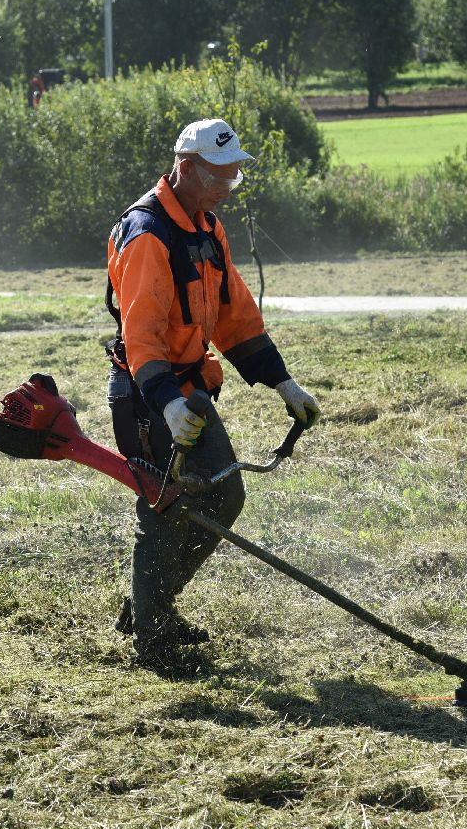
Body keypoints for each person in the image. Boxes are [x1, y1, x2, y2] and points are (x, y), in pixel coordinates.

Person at [105, 118, 321, 665]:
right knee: (165, 507)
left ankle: (150, 607)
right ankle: (152, 642)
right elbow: (142, 333)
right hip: (149, 394)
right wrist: (167, 403)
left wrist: (281, 380)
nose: (228, 186)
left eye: (235, 176)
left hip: (190, 390)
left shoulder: (207, 229)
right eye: (219, 176)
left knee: (223, 496)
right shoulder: (147, 233)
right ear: (186, 167)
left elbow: (234, 317)